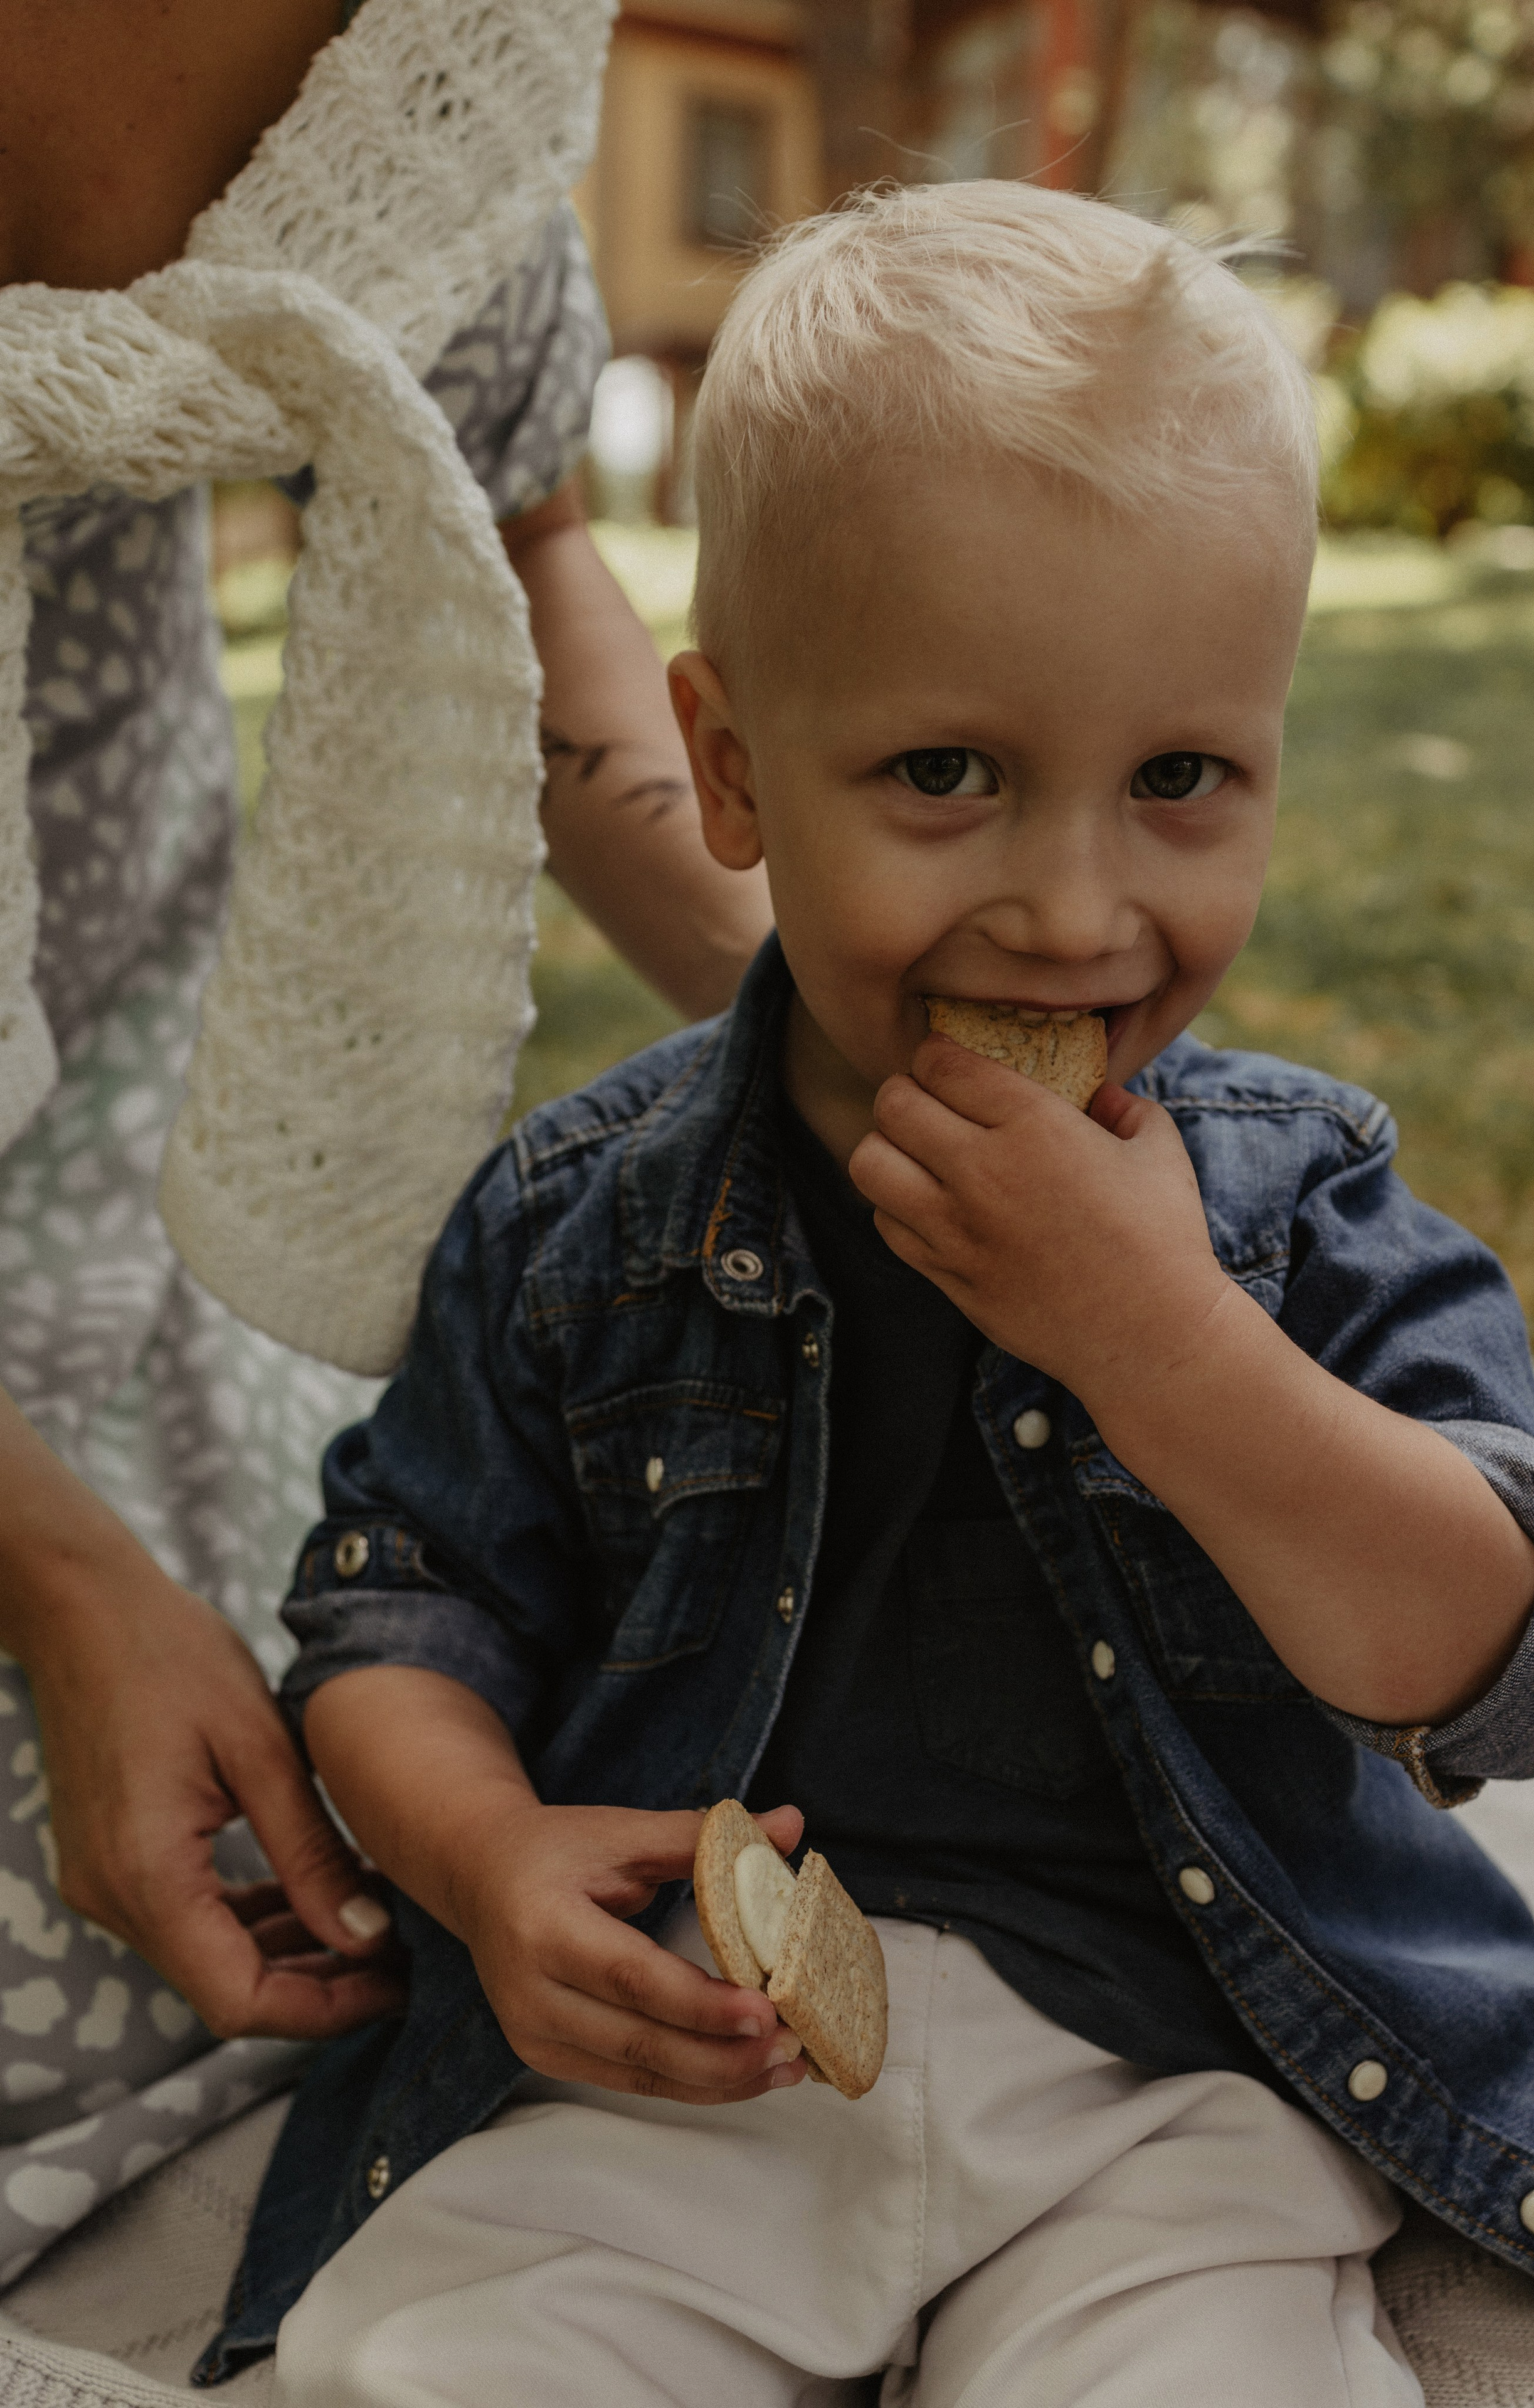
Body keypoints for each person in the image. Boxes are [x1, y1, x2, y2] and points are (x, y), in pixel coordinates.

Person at [219, 182, 1534, 2402]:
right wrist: (484, 1863)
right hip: (693, 2075)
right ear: (741, 769)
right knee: (428, 2357)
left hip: (1184, 2069)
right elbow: (400, 1609)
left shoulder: (1295, 1202)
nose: (1074, 911)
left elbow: (1516, 1660)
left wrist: (1164, 1341)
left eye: (1179, 782)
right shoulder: (590, 1219)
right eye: (946, 775)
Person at [0, 0, 769, 2279]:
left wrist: (842, 1009)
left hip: (125, 1138)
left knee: (446, 1712)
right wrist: (66, 1589)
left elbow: (516, 541)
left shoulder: (422, 38)